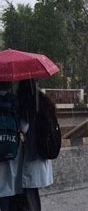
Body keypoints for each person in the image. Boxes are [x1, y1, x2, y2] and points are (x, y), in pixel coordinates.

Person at [0, 79, 54, 211]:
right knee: (29, 197)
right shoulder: (42, 101)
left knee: (9, 197)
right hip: (31, 156)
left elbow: (24, 127)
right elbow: (25, 128)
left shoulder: (19, 101)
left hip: (13, 158)